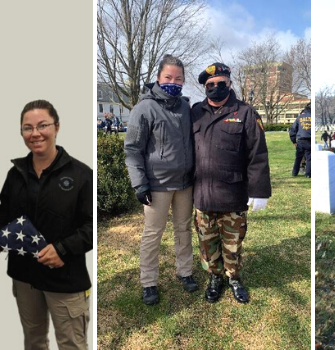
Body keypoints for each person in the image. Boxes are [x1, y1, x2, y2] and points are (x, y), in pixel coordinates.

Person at [0, 99, 93, 349]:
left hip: (66, 278)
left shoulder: (82, 175)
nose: (35, 133)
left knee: (72, 344)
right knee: (34, 342)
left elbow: (91, 226)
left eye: (42, 125)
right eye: (27, 128)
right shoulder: (15, 174)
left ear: (57, 127)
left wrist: (62, 249)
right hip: (24, 278)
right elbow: (4, 214)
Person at [191, 62, 271, 304]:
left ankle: (234, 277)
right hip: (202, 194)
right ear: (205, 88)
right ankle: (215, 277)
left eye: (221, 84)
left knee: (233, 243)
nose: (216, 88)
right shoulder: (195, 112)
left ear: (230, 84)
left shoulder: (245, 113)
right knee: (207, 242)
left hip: (233, 194)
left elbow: (257, 154)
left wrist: (259, 191)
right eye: (210, 85)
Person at [123, 54, 196, 306]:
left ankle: (185, 271)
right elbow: (132, 149)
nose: (173, 82)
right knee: (153, 233)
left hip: (185, 184)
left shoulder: (186, 107)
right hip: (157, 185)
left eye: (178, 78)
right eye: (168, 77)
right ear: (158, 78)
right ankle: (149, 282)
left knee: (183, 229)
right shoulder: (144, 108)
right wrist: (139, 183)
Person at [289, 102, 311, 177]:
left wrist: (293, 141)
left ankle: (294, 173)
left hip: (301, 140)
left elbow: (293, 130)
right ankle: (308, 174)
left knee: (298, 158)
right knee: (309, 158)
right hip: (309, 140)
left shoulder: (299, 117)